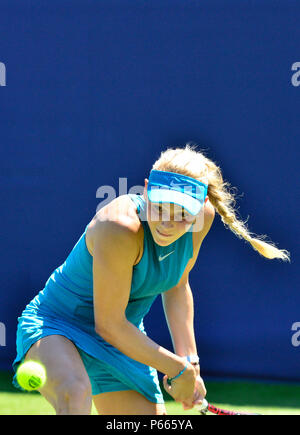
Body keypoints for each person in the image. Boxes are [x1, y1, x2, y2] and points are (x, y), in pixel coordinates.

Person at [12, 144, 290, 415]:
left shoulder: (203, 219)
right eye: (160, 208)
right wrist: (178, 369)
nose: (167, 224)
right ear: (146, 190)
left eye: (182, 214)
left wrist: (190, 363)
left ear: (202, 206)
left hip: (123, 337)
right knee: (75, 393)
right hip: (59, 325)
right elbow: (108, 323)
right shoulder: (119, 227)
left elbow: (178, 286)